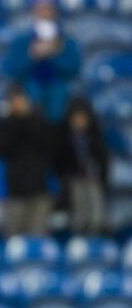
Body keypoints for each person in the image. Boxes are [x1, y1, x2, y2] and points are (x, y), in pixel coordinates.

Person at [3, 0, 80, 125]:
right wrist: (32, 55)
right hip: (30, 102)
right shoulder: (22, 41)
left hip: (59, 103)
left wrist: (56, 54)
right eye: (41, 9)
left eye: (49, 9)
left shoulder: (66, 42)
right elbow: (11, 69)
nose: (45, 13)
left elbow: (74, 69)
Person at [0, 85, 55, 237]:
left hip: (39, 187)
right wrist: (14, 120)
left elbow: (50, 144)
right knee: (13, 236)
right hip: (14, 189)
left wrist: (28, 118)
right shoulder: (4, 124)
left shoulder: (40, 121)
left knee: (38, 235)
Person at [57, 97, 110, 234]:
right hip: (75, 179)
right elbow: (60, 160)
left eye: (83, 117)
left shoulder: (95, 135)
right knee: (79, 214)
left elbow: (103, 158)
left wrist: (103, 177)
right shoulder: (64, 137)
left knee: (97, 213)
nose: (80, 121)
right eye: (76, 117)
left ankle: (97, 236)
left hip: (94, 179)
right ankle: (80, 235)